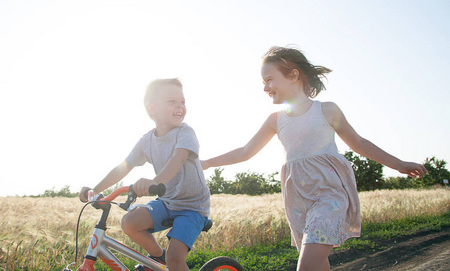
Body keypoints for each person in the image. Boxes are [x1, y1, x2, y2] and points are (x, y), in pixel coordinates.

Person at [201, 46, 427, 271]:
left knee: (307, 265)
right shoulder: (275, 120)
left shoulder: (326, 110)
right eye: (263, 82)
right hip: (298, 202)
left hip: (329, 197)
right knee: (318, 264)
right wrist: (208, 162)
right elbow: (244, 152)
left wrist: (399, 164)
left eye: (269, 80)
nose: (265, 87)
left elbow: (358, 143)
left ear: (293, 75)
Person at [80, 78, 210, 271]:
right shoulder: (147, 141)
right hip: (167, 202)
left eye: (182, 102)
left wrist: (154, 182)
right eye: (171, 101)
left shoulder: (185, 133)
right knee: (130, 222)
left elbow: (178, 158)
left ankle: (168, 260)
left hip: (192, 207)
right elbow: (124, 166)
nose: (180, 106)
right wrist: (95, 189)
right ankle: (158, 258)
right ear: (152, 109)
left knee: (176, 259)